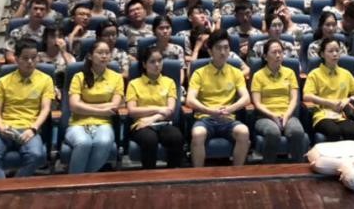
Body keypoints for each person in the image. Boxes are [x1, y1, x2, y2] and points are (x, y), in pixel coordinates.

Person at [0, 39, 53, 179]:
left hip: (29, 128)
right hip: (7, 128)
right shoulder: (4, 81)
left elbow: (45, 109)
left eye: (33, 58)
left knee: (36, 155)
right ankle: (4, 188)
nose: (30, 62)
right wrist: (1, 128)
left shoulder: (46, 80)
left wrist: (33, 129)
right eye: (25, 58)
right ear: (16, 59)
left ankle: (16, 184)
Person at [186, 29, 251, 167]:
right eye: (218, 48)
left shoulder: (236, 73)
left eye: (226, 48)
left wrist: (229, 109)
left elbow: (246, 98)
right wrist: (210, 111)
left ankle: (237, 173)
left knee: (244, 131)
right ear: (210, 51)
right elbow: (190, 100)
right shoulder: (199, 73)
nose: (223, 52)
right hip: (205, 118)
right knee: (197, 133)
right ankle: (198, 174)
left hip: (227, 118)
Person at [65, 40, 123, 174]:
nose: (104, 56)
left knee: (104, 142)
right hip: (78, 123)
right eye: (100, 53)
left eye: (107, 53)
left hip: (103, 123)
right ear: (90, 56)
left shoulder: (117, 77)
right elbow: (74, 106)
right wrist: (102, 110)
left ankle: (79, 179)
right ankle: (77, 181)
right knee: (83, 143)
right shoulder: (79, 77)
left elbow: (115, 105)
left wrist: (84, 106)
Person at [125, 46, 185, 169]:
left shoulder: (169, 82)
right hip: (141, 125)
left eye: (159, 61)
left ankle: (173, 175)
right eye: (152, 61)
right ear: (144, 64)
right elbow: (132, 111)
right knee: (150, 140)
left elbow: (170, 110)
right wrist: (158, 109)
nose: (157, 65)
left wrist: (151, 119)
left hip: (163, 123)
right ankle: (149, 175)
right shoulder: (134, 84)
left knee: (176, 137)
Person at [250, 38, 308, 162]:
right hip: (265, 116)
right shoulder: (258, 76)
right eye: (274, 52)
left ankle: (298, 167)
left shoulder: (290, 73)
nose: (278, 55)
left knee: (297, 131)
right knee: (273, 132)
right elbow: (257, 103)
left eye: (280, 52)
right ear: (265, 56)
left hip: (287, 114)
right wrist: (273, 115)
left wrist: (286, 115)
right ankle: (269, 167)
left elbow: (294, 99)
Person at [303, 36, 354, 141]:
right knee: (334, 131)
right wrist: (328, 103)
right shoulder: (315, 74)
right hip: (322, 114)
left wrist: (349, 99)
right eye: (330, 51)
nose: (335, 54)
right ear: (322, 54)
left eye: (337, 51)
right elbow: (306, 96)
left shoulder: (345, 73)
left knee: (352, 132)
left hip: (341, 115)